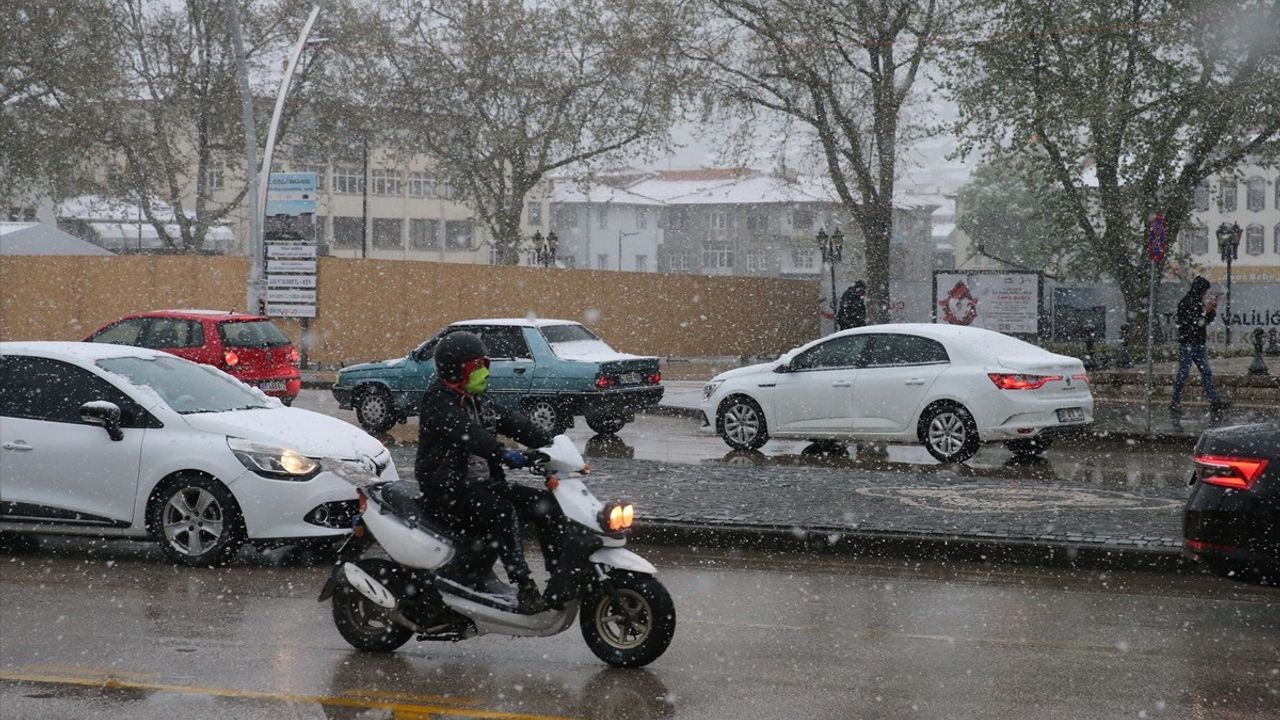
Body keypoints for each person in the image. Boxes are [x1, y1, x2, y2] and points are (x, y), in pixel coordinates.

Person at [414, 331, 561, 614]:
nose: (483, 372)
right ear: (456, 370)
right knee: (502, 513)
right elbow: (467, 434)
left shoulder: (479, 399)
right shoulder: (438, 401)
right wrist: (503, 452)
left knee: (547, 505)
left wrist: (551, 445)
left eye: (485, 364)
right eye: (475, 366)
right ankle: (525, 587)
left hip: (484, 485)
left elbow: (513, 422)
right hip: (448, 491)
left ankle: (557, 578)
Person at [1170, 276, 1227, 415]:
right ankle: (1174, 401)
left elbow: (1205, 321)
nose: (1205, 294)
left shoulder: (1198, 301)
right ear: (1200, 289)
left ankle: (1214, 401)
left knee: (1206, 372)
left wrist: (1211, 310)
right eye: (1204, 290)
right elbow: (1193, 323)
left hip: (1199, 343)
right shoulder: (1186, 302)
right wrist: (1205, 311)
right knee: (1183, 373)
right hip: (1188, 343)